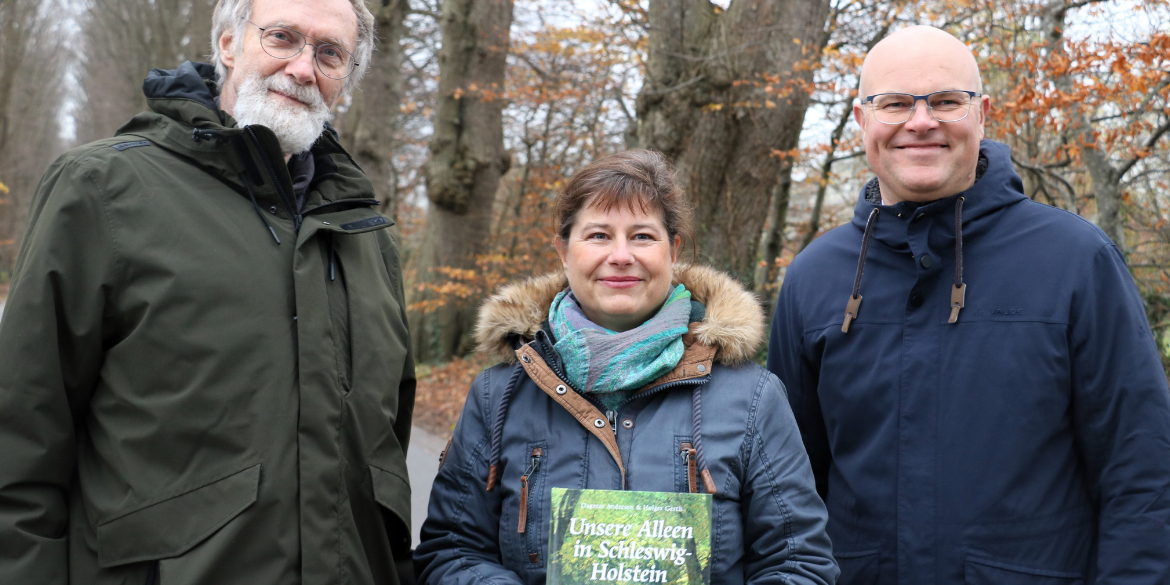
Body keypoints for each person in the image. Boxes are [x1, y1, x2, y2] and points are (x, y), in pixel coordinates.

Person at [0, 0, 416, 583]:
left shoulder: (368, 237)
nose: (302, 68)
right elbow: (19, 444)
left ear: (345, 77)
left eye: (329, 53)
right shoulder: (102, 191)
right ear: (227, 44)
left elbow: (384, 459)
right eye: (282, 38)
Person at [767, 25, 1170, 584]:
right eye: (895, 104)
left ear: (982, 114)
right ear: (862, 121)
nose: (921, 121)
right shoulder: (814, 279)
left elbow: (1143, 474)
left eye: (946, 102)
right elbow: (787, 492)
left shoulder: (1075, 261)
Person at [414, 150, 838, 584]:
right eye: (598, 235)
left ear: (672, 250)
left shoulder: (750, 397)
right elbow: (452, 550)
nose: (620, 255)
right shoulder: (498, 395)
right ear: (563, 251)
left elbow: (797, 562)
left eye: (641, 236)